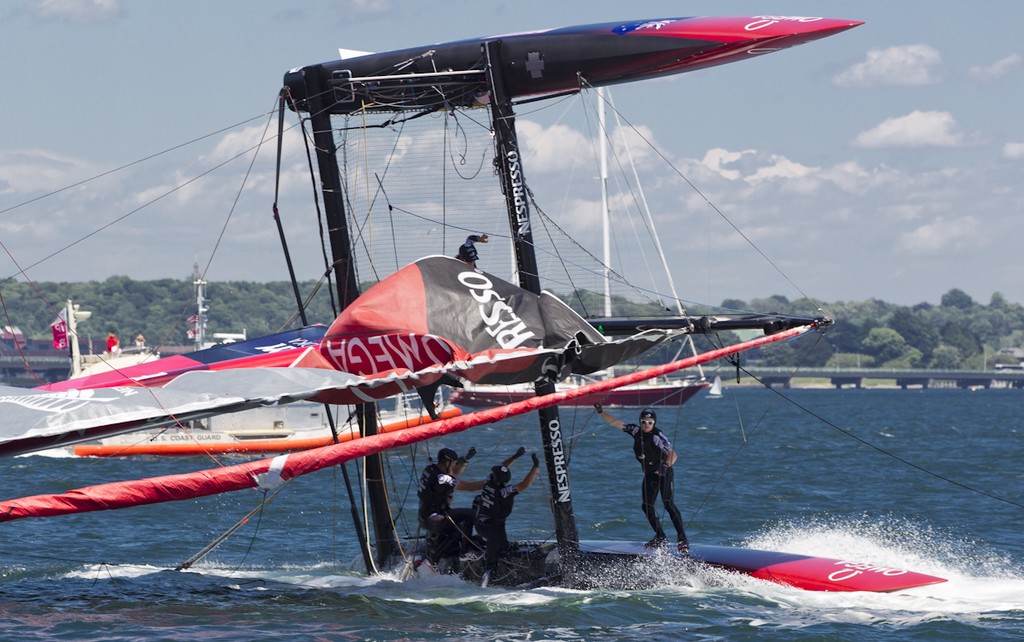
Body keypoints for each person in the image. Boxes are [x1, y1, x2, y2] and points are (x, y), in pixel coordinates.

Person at [595, 404, 689, 554]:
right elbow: (617, 423)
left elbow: (673, 454)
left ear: (654, 423)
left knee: (668, 503)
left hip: (663, 472)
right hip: (650, 474)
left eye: (650, 422)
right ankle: (660, 537)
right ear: (640, 422)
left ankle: (682, 539)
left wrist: (665, 465)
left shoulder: (657, 436)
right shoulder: (635, 431)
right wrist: (601, 412)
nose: (647, 425)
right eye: (644, 421)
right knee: (646, 506)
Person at [472, 451, 541, 587]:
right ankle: (488, 573)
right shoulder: (505, 491)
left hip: (481, 524)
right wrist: (535, 467)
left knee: (504, 547)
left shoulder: (488, 481)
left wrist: (515, 457)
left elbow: (502, 467)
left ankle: (501, 559)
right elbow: (525, 484)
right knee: (493, 558)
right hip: (494, 530)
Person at [417, 447, 482, 565]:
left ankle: (435, 559)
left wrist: (465, 460)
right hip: (434, 518)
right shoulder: (441, 478)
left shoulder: (431, 469)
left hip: (424, 515)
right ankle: (462, 554)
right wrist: (490, 483)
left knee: (456, 528)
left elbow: (453, 473)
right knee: (470, 515)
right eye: (454, 462)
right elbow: (469, 487)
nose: (455, 465)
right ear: (447, 462)